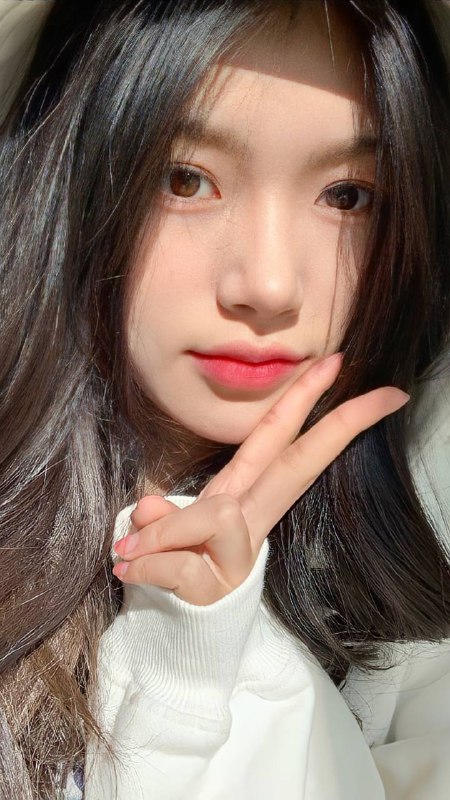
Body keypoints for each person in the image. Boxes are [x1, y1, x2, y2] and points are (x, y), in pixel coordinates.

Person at [0, 0, 449, 798]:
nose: (270, 285)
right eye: (186, 180)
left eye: (348, 195)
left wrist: (189, 670)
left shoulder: (414, 642)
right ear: (65, 181)